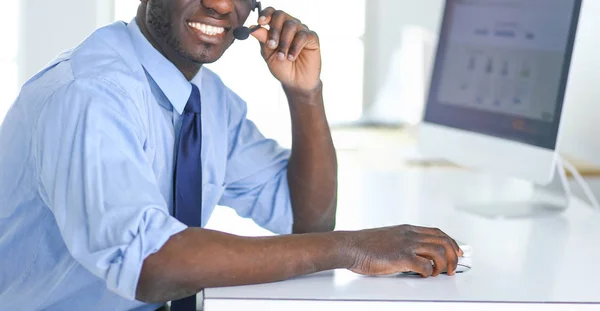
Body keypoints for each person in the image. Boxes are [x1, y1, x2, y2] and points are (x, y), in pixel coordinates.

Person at [0, 0, 463, 310]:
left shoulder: (207, 98)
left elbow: (306, 220)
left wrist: (305, 94)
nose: (222, 5)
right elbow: (152, 262)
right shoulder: (92, 94)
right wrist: (352, 249)